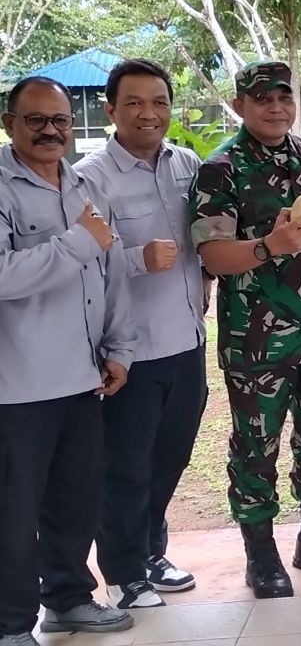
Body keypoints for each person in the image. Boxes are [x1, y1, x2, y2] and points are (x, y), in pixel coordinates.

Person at [189, 61, 301, 599]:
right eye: (262, 98)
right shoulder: (221, 169)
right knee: (257, 446)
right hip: (258, 340)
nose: (276, 106)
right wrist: (269, 247)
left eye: (284, 96)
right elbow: (212, 254)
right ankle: (261, 556)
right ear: (239, 105)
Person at [0, 76, 136, 645]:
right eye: (36, 119)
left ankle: (68, 599)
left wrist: (119, 347)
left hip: (82, 378)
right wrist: (78, 241)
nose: (52, 129)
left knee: (74, 500)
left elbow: (111, 274)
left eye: (59, 118)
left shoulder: (83, 187)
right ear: (10, 123)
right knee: (13, 514)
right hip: (18, 386)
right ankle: (9, 626)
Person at [75, 59, 210, 609]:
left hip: (188, 341)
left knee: (170, 456)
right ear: (111, 110)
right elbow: (83, 260)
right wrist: (136, 258)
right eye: (134, 103)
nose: (148, 113)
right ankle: (124, 572)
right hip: (130, 349)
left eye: (158, 102)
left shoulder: (189, 164)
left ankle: (151, 550)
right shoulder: (90, 177)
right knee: (125, 465)